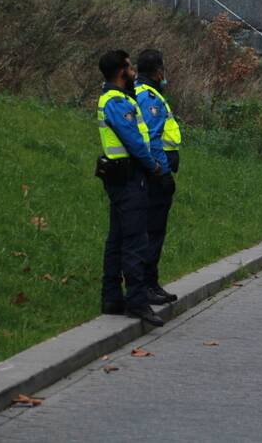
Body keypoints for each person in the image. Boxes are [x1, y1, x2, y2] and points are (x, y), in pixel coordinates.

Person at [96, 50, 164, 327]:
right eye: (129, 66)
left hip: (120, 177)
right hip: (128, 177)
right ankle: (137, 302)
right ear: (122, 70)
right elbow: (135, 141)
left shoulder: (120, 98)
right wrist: (154, 167)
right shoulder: (116, 101)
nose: (134, 70)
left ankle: (112, 297)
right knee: (134, 241)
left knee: (117, 239)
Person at [134, 49, 181, 306]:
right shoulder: (150, 97)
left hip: (152, 173)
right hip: (155, 176)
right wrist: (162, 173)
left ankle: (151, 283)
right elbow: (151, 140)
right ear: (158, 71)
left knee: (154, 231)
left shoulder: (144, 93)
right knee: (153, 232)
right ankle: (147, 285)